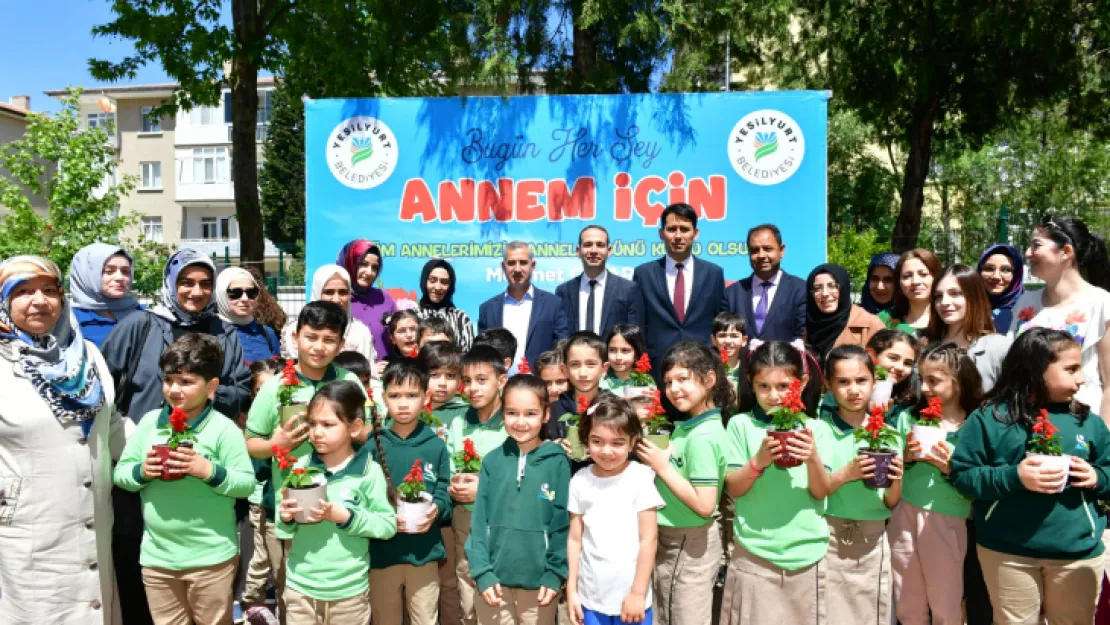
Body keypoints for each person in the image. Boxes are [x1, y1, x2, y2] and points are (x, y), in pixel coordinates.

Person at [101, 248, 252, 625]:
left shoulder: (225, 331)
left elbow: (240, 390)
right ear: (172, 283)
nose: (196, 291)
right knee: (141, 569)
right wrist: (127, 429)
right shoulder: (141, 324)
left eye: (205, 283)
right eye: (186, 281)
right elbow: (106, 383)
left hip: (203, 477)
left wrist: (209, 401)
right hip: (144, 458)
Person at [0, 255, 128, 625]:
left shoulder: (86, 356)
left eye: (49, 290)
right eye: (22, 291)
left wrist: (165, 446)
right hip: (28, 530)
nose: (39, 301)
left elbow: (114, 427)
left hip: (94, 523)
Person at [951, 328, 1110, 625]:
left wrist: (1098, 477)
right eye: (1071, 369)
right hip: (1007, 553)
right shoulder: (989, 419)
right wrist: (1014, 477)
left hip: (1077, 553)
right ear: (1036, 369)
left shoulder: (1088, 422)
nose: (1082, 379)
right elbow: (963, 474)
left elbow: (1109, 469)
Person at [245, 302, 366, 616]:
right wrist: (276, 443)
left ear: (341, 344)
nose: (319, 347)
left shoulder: (349, 382)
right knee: (291, 595)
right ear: (296, 336)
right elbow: (249, 443)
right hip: (289, 507)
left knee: (341, 594)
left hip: (343, 505)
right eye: (311, 337)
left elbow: (366, 431)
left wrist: (350, 432)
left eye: (329, 340)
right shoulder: (274, 387)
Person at [719, 341, 831, 625]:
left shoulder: (818, 429)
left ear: (802, 382)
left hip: (808, 554)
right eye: (763, 386)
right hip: (754, 555)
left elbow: (821, 492)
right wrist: (759, 460)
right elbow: (733, 488)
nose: (773, 396)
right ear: (750, 383)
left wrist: (812, 457)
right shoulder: (740, 425)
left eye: (783, 386)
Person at [277, 380, 398, 624]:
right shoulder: (300, 468)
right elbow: (284, 530)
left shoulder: (368, 472)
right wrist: (286, 517)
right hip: (301, 587)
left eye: (328, 424)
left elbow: (388, 526)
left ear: (355, 427)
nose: (317, 432)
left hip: (349, 593)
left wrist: (346, 517)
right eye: (313, 423)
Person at [635, 341, 731, 625]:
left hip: (688, 543)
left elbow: (705, 505)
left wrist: (663, 467)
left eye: (682, 379)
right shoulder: (690, 427)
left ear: (710, 379)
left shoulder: (702, 438)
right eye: (668, 382)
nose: (673, 389)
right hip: (677, 542)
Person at [810, 345, 905, 625]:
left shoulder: (889, 435)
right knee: (827, 613)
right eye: (843, 382)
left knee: (870, 612)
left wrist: (896, 479)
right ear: (828, 385)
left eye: (862, 381)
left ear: (874, 382)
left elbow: (891, 501)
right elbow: (817, 489)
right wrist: (847, 473)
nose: (854, 390)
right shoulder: (818, 430)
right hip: (828, 536)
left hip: (873, 540)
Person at [889, 343, 982, 625]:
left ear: (960, 381)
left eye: (934, 380)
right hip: (903, 513)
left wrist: (951, 468)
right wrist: (903, 457)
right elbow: (889, 465)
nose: (926, 388)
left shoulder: (974, 425)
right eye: (922, 379)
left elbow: (979, 475)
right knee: (907, 598)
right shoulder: (908, 417)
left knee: (945, 602)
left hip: (948, 518)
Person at [466, 374, 570, 625]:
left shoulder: (557, 462)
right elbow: (479, 522)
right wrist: (482, 573)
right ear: (503, 412)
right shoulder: (492, 461)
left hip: (540, 587)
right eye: (512, 413)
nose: (520, 422)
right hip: (494, 585)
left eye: (531, 413)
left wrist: (554, 574)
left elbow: (562, 523)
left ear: (546, 415)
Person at [566, 394, 663, 625]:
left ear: (632, 442)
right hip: (590, 599)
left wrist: (638, 593)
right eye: (597, 441)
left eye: (617, 443)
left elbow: (648, 540)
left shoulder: (640, 478)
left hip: (631, 600)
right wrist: (572, 590)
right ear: (585, 440)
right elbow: (575, 540)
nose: (606, 451)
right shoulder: (580, 480)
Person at [369, 361, 453, 625]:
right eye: (395, 396)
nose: (403, 404)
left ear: (426, 398)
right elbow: (363, 494)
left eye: (411, 395)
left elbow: (444, 489)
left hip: (424, 553)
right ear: (383, 399)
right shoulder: (372, 445)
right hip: (382, 553)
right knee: (385, 619)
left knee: (425, 618)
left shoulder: (436, 445)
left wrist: (437, 508)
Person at [1008, 214, 1110, 423]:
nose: (1028, 253)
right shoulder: (1024, 303)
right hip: (1022, 422)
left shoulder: (1101, 304)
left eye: (1036, 245)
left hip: (1079, 427)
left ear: (1065, 252)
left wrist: (1104, 445)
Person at [448, 345, 509, 625]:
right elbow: (450, 463)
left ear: (502, 380)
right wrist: (452, 485)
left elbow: (519, 474)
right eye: (467, 381)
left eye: (482, 380)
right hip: (466, 517)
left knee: (501, 584)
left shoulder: (513, 422)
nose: (473, 388)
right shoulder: (460, 421)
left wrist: (482, 489)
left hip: (504, 519)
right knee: (466, 574)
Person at [635, 204, 727, 380]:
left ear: (695, 233)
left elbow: (718, 322)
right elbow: (639, 325)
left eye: (684, 229)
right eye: (671, 229)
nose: (678, 236)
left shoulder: (713, 273)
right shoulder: (644, 274)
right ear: (661, 234)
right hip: (658, 369)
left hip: (701, 367)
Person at [239, 358, 284, 625]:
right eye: (259, 391)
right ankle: (251, 601)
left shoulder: (281, 421)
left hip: (273, 499)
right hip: (259, 499)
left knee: (271, 557)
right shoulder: (253, 428)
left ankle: (266, 600)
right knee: (261, 555)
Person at [478, 242, 569, 373]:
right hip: (500, 386)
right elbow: (482, 352)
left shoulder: (553, 304)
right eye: (511, 263)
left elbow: (561, 347)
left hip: (540, 386)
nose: (517, 269)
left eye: (523, 262)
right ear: (503, 266)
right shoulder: (488, 309)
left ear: (533, 266)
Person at [925, 264, 1012, 392]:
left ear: (974, 297)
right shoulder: (924, 343)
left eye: (954, 294)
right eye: (938, 296)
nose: (944, 302)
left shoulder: (999, 347)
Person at [555, 225, 644, 337]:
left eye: (600, 245)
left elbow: (635, 336)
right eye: (587, 245)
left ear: (609, 251)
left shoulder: (628, 289)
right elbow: (561, 334)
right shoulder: (564, 291)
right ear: (578, 251)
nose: (593, 250)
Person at [281, 264, 378, 367]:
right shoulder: (297, 330)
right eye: (329, 292)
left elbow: (367, 374)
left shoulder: (360, 332)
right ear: (317, 292)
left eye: (343, 292)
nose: (336, 299)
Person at [725, 223, 806, 342]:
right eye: (755, 250)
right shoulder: (732, 294)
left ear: (782, 250)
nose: (762, 255)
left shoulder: (800, 289)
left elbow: (803, 335)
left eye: (768, 249)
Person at [68, 242, 143, 348]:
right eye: (109, 271)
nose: (120, 277)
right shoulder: (68, 321)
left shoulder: (144, 315)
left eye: (125, 271)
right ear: (86, 275)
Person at [546, 332, 609, 457]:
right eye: (575, 364)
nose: (583, 373)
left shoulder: (617, 408)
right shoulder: (553, 411)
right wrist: (552, 447)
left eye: (591, 364)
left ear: (604, 369)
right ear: (565, 370)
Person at [805, 263, 885, 359]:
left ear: (844, 288)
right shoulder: (803, 325)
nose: (825, 293)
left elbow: (883, 368)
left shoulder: (869, 324)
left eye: (832, 286)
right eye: (817, 288)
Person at [339, 238, 397, 357]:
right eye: (363, 264)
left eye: (375, 267)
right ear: (350, 262)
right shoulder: (339, 298)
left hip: (384, 373)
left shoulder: (384, 298)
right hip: (347, 374)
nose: (369, 272)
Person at [215, 267, 281, 363]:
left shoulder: (266, 332)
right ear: (221, 294)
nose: (245, 299)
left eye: (251, 293)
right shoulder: (212, 332)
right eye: (235, 293)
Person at [878, 249, 942, 337]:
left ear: (937, 277)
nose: (915, 281)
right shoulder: (884, 319)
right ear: (899, 282)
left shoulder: (948, 319)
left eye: (923, 274)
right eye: (907, 276)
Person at [417, 258, 475, 352]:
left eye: (444, 282)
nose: (438, 287)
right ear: (424, 281)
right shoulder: (414, 315)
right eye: (433, 280)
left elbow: (468, 355)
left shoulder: (460, 318)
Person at [978, 244, 1025, 333]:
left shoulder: (1028, 306)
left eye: (1006, 270)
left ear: (1017, 274)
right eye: (989, 269)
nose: (996, 276)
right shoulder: (969, 305)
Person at [867, 329, 919, 408]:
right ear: (872, 355)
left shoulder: (908, 403)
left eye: (907, 363)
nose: (900, 367)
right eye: (893, 358)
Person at [600, 324, 652, 396]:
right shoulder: (600, 382)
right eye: (612, 350)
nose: (618, 357)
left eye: (625, 351)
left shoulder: (645, 382)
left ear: (636, 355)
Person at [711, 312, 747, 407]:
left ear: (744, 340)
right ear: (713, 340)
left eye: (734, 336)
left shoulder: (748, 370)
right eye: (722, 335)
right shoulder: (708, 369)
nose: (728, 341)